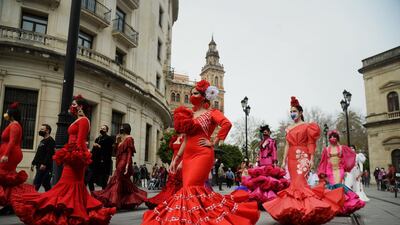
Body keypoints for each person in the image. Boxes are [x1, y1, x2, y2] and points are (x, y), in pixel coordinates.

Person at [142, 80, 259, 225]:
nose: (192, 96)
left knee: (191, 188)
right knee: (189, 189)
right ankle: (194, 219)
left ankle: (198, 220)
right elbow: (186, 139)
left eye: (195, 93)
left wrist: (213, 141)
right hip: (188, 156)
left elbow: (226, 124)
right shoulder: (190, 115)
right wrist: (176, 159)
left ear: (204, 96)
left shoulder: (212, 112)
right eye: (191, 94)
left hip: (203, 154)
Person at [12, 95, 115, 224]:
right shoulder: (77, 120)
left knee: (70, 184)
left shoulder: (83, 120)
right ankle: (69, 211)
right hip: (72, 154)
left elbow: (80, 141)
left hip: (76, 157)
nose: (71, 106)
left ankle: (72, 213)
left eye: (73, 104)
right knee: (66, 184)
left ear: (80, 106)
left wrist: (75, 157)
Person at [263, 96, 344, 225]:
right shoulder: (288, 128)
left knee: (301, 183)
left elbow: (311, 143)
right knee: (294, 185)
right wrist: (283, 160)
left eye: (294, 111)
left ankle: (305, 211)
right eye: (290, 112)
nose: (292, 114)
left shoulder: (308, 126)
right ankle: (296, 211)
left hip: (303, 157)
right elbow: (287, 145)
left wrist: (311, 158)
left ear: (300, 113)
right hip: (291, 158)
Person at [92, 123, 147, 209]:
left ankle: (113, 201)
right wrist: (117, 142)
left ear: (126, 129)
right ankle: (123, 201)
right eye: (120, 128)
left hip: (124, 162)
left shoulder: (129, 139)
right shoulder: (121, 139)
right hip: (119, 161)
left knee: (117, 180)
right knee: (123, 182)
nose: (120, 129)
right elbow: (116, 151)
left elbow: (129, 153)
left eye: (122, 128)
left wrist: (127, 165)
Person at [317, 130, 365, 215]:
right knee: (332, 186)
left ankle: (340, 206)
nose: (332, 138)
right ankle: (334, 205)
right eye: (331, 137)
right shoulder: (326, 149)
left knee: (338, 186)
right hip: (329, 170)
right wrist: (322, 172)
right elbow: (323, 161)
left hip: (339, 169)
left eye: (334, 136)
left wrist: (346, 166)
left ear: (337, 138)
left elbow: (351, 155)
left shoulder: (342, 148)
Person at [0, 102, 35, 214]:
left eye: (7, 112)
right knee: (7, 179)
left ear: (11, 114)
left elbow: (12, 141)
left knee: (4, 176)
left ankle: (12, 201)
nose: (5, 114)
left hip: (10, 155)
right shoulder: (13, 124)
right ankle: (9, 203)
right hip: (10, 154)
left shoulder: (14, 125)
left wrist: (5, 154)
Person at [241, 125, 289, 205]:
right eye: (263, 131)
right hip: (262, 163)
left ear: (270, 132)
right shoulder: (261, 142)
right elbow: (260, 152)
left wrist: (274, 161)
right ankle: (260, 199)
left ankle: (271, 199)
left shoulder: (272, 141)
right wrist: (258, 160)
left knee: (269, 180)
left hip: (269, 162)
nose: (265, 132)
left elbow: (274, 151)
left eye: (266, 131)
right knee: (261, 180)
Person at [146, 134, 184, 209]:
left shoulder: (185, 137)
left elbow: (187, 152)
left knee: (178, 182)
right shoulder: (175, 137)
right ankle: (166, 200)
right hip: (175, 162)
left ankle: (174, 201)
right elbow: (174, 153)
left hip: (182, 162)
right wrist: (171, 163)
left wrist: (182, 162)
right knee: (170, 183)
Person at [88, 125, 114, 191]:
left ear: (107, 130)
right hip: (95, 162)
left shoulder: (109, 139)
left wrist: (99, 146)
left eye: (104, 129)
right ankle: (92, 193)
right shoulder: (98, 138)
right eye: (101, 128)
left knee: (103, 182)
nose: (102, 130)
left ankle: (103, 196)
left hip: (103, 163)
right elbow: (93, 150)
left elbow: (109, 151)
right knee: (90, 179)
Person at [31, 124, 55, 191]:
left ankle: (32, 196)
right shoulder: (42, 141)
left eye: (42, 129)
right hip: (39, 165)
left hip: (44, 166)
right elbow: (38, 153)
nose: (40, 131)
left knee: (36, 182)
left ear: (47, 131)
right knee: (46, 183)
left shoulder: (50, 141)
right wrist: (33, 163)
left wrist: (44, 164)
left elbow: (49, 154)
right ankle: (50, 197)